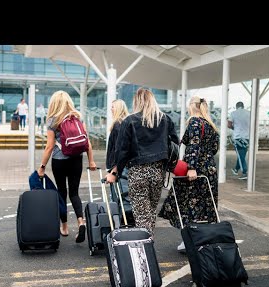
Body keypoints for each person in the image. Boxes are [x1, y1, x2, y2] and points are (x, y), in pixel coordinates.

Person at [105, 88, 178, 238]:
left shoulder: (130, 121)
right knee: (150, 212)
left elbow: (122, 151)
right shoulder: (165, 119)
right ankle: (148, 242)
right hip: (158, 172)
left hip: (138, 172)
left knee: (141, 215)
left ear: (136, 101)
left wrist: (114, 172)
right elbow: (175, 143)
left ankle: (145, 247)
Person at [159, 96, 220, 252]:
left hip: (195, 169)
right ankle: (204, 239)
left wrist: (191, 167)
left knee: (185, 202)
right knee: (206, 204)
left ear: (193, 106)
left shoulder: (194, 122)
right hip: (209, 169)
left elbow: (193, 145)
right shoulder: (210, 124)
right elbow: (214, 148)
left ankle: (190, 239)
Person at [38, 90, 97, 242]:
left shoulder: (52, 120)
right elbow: (87, 142)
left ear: (54, 103)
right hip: (76, 159)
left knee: (61, 193)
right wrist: (91, 161)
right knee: (74, 193)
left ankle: (64, 227)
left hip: (59, 161)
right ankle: (81, 222)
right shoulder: (77, 117)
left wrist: (42, 166)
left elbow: (50, 146)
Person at [228, 101, 250, 180]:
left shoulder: (233, 113)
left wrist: (234, 128)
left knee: (240, 155)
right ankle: (236, 169)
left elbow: (229, 125)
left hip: (238, 137)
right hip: (247, 137)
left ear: (236, 106)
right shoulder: (249, 113)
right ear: (243, 106)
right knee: (242, 155)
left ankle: (244, 172)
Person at [106, 99, 129, 171]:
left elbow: (118, 146)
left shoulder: (118, 124)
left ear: (118, 109)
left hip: (117, 164)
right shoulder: (127, 122)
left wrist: (113, 167)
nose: (111, 109)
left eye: (113, 107)